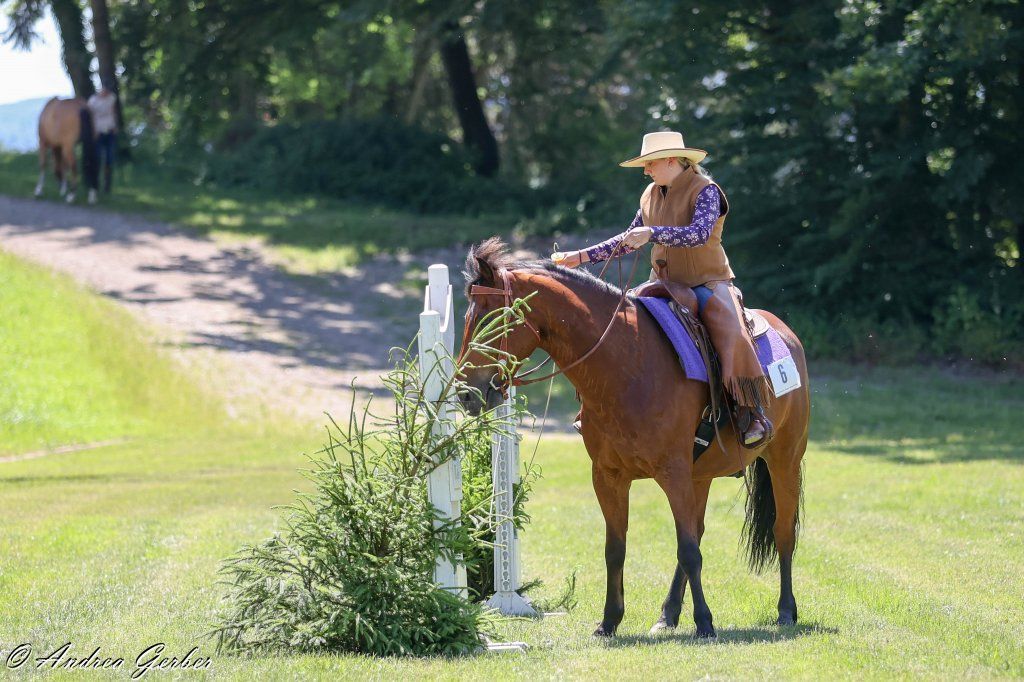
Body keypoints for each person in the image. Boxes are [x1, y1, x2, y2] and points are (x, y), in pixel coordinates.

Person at [552, 131, 773, 448]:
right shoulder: (649, 194)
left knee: (732, 330)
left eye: (650, 163)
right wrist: (580, 257)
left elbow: (698, 234)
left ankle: (751, 412)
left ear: (672, 160)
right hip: (662, 283)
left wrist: (652, 232)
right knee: (617, 323)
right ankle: (596, 408)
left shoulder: (707, 191)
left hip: (708, 282)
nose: (646, 171)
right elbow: (629, 238)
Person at [87, 84, 118, 193]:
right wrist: (93, 130)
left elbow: (113, 112)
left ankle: (107, 184)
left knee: (109, 159)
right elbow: (90, 117)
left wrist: (115, 125)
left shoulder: (111, 98)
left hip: (109, 130)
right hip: (98, 131)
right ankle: (95, 182)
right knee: (97, 158)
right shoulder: (93, 101)